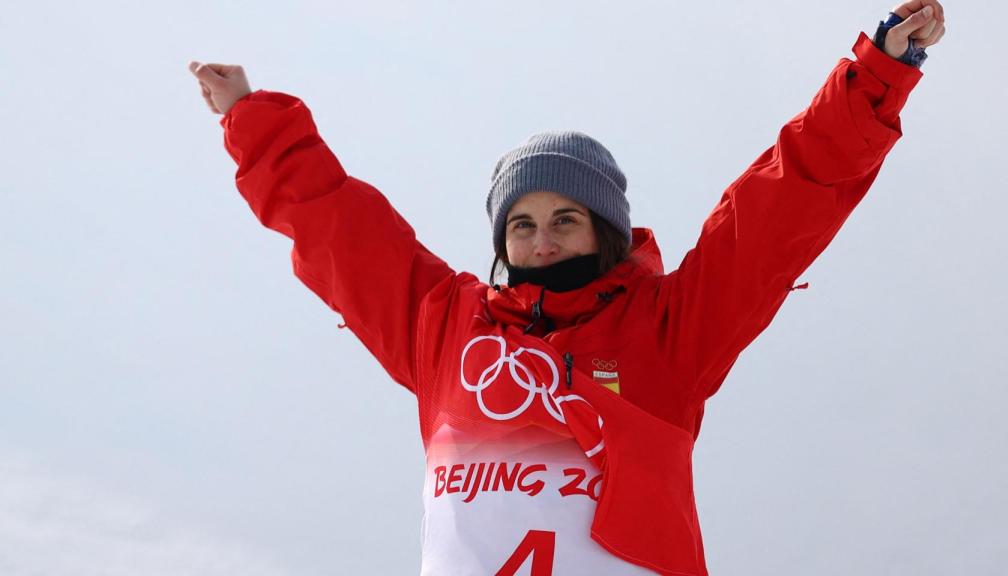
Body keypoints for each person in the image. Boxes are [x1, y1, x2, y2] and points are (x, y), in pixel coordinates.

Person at [189, 3, 945, 574]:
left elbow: (784, 204)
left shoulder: (668, 332)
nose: (541, 239)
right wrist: (250, 118)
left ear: (604, 232)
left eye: (564, 218)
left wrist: (876, 72)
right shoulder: (445, 331)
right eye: (520, 224)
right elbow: (336, 227)